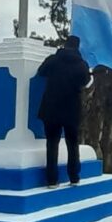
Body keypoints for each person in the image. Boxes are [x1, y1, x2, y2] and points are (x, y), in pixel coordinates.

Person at [36, 36, 91, 188]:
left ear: (65, 45)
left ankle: (52, 180)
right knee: (72, 144)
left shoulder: (53, 60)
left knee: (52, 144)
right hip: (72, 110)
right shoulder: (81, 64)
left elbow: (41, 72)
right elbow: (85, 82)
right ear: (78, 47)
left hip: (51, 108)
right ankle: (74, 177)